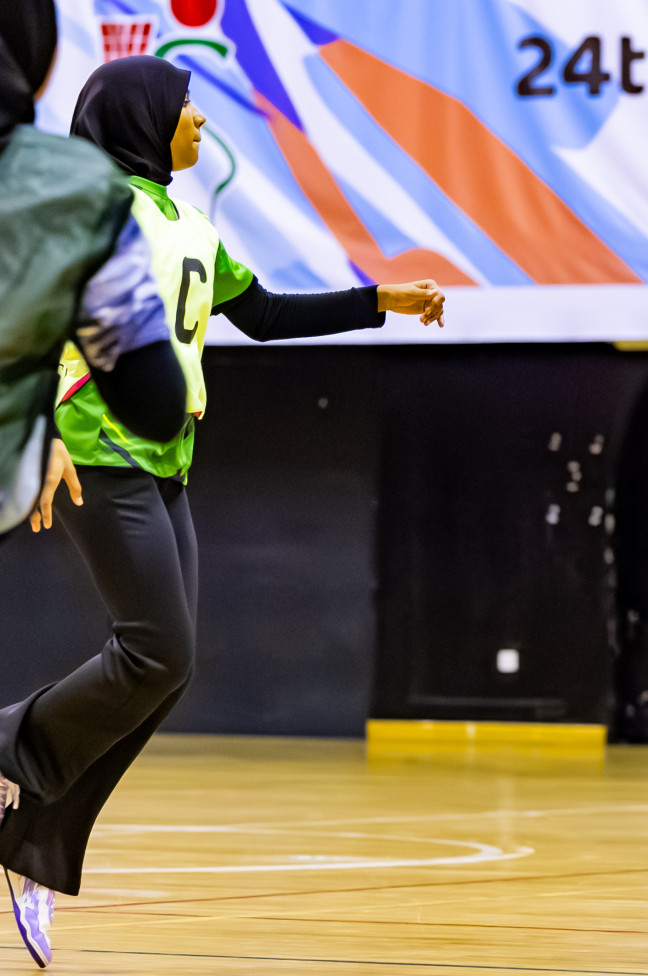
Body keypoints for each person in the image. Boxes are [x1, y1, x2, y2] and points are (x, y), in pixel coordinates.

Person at [0, 53, 445, 968]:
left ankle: (33, 846)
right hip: (93, 449)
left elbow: (267, 315)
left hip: (167, 462)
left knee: (167, 670)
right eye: (187, 107)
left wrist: (379, 301)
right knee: (155, 652)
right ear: (143, 120)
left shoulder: (187, 221)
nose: (202, 122)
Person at [0, 0, 186, 543]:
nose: (198, 118)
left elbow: (263, 309)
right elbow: (155, 402)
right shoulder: (77, 194)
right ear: (42, 63)